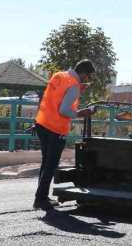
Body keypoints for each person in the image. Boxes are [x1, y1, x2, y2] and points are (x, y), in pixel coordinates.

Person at [32, 59, 96, 210]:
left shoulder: (58, 76)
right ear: (83, 73)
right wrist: (82, 113)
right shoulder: (73, 84)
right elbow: (64, 110)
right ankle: (40, 199)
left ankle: (41, 197)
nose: (86, 79)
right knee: (50, 165)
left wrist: (78, 88)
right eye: (87, 76)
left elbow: (57, 96)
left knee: (45, 162)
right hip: (55, 129)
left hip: (42, 124)